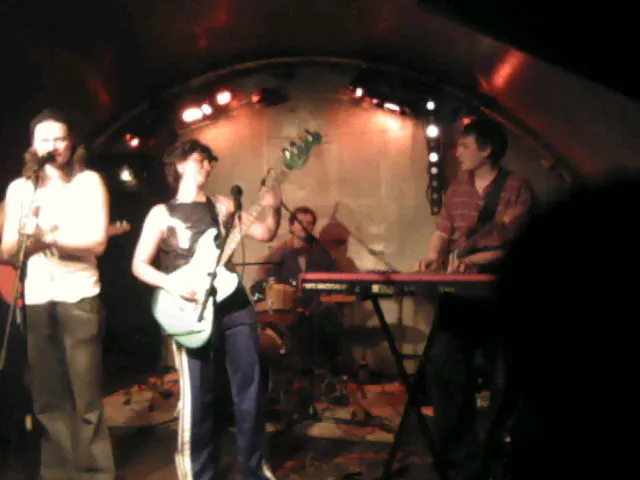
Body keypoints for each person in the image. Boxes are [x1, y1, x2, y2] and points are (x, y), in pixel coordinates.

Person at [131, 138, 281, 480]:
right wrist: (171, 285)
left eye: (210, 161)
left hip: (234, 306)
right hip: (190, 310)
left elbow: (265, 233)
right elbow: (139, 264)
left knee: (250, 390)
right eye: (201, 160)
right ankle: (200, 473)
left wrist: (273, 206)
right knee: (198, 397)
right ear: (180, 164)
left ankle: (255, 469)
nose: (208, 166)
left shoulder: (223, 205)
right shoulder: (162, 213)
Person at [0, 108, 115, 479]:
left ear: (71, 143)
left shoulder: (88, 182)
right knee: (48, 395)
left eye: (60, 138)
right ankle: (60, 472)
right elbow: (6, 251)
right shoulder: (20, 189)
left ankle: (95, 473)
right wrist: (25, 242)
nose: (53, 146)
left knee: (85, 394)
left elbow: (97, 242)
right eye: (45, 139)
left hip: (79, 294)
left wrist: (50, 240)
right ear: (33, 146)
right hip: (37, 298)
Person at [415, 118, 533, 480]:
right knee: (443, 365)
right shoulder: (456, 188)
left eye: (465, 145)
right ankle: (458, 458)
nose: (457, 152)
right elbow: (442, 232)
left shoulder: (516, 187)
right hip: (461, 294)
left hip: (502, 295)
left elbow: (510, 241)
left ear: (487, 149)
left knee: (507, 377)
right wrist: (433, 258)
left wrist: (472, 260)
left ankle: (504, 452)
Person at [253, 206, 343, 374]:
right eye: (300, 222)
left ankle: (324, 370)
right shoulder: (280, 252)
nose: (304, 226)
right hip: (286, 308)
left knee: (330, 317)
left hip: (315, 308)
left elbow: (334, 279)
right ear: (291, 226)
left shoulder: (321, 253)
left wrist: (323, 299)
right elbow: (264, 279)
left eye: (309, 223)